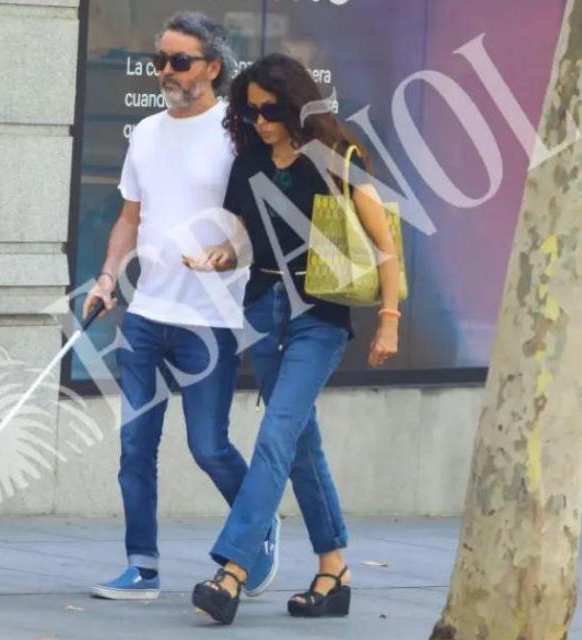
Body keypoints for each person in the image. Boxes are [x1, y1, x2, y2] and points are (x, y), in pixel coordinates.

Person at [185, 53, 401, 625]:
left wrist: (389, 318)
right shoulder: (251, 159)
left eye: (271, 110)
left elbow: (384, 245)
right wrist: (222, 255)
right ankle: (334, 570)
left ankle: (232, 571)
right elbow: (248, 239)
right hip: (263, 306)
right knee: (302, 444)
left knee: (277, 435)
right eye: (251, 110)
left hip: (320, 316)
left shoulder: (337, 157)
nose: (260, 120)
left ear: (296, 106)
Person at [82, 13, 279, 601]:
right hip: (147, 314)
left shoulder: (238, 132)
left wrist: (230, 252)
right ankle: (142, 567)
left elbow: (259, 219)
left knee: (208, 446)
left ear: (212, 68)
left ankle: (257, 533)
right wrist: (107, 275)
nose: (165, 71)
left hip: (211, 318)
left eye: (179, 61)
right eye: (159, 60)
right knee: (134, 447)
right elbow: (130, 217)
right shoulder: (144, 132)